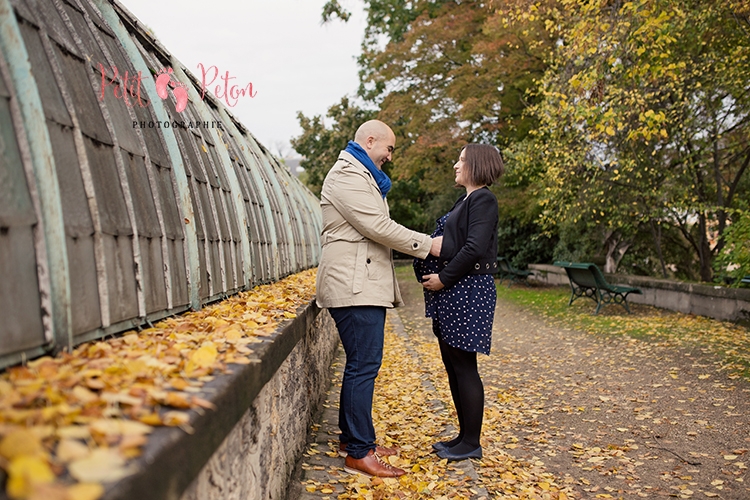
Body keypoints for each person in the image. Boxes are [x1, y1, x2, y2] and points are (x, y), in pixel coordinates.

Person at [316, 119, 443, 477]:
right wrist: (428, 244)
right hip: (353, 286)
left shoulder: (362, 175)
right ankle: (359, 451)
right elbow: (378, 227)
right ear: (369, 141)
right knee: (364, 365)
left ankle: (354, 440)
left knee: (360, 363)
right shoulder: (347, 176)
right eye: (389, 148)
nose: (390, 156)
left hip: (359, 282)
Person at [416, 144, 504, 461]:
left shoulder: (483, 199)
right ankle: (463, 437)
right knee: (453, 365)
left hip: (468, 290)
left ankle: (472, 443)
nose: (455, 165)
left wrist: (443, 279)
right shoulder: (465, 199)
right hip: (455, 291)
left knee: (465, 366)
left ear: (476, 165)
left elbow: (473, 249)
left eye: (461, 160)